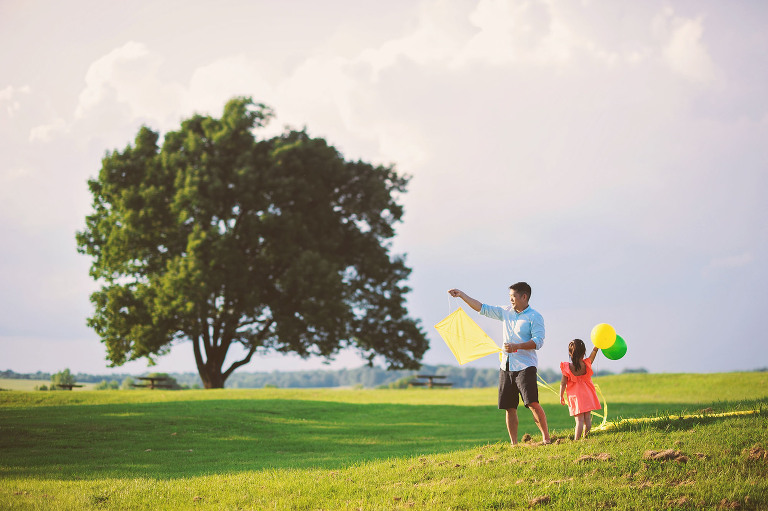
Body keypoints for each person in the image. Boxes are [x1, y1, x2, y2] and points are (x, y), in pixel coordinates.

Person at [448, 283, 550, 445]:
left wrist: (517, 346)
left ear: (524, 297)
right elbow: (482, 308)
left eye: (513, 297)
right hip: (506, 366)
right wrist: (462, 295)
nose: (510, 300)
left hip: (526, 366)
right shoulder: (505, 312)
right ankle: (514, 443)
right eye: (509, 297)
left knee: (532, 403)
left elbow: (538, 342)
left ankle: (546, 438)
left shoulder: (534, 316)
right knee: (509, 407)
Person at [559, 339, 601, 440]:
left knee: (579, 421)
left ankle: (576, 440)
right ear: (584, 352)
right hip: (588, 395)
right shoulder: (586, 364)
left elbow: (563, 383)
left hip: (576, 397)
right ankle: (585, 438)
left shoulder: (567, 367)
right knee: (587, 419)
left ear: (570, 353)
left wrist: (561, 395)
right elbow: (593, 356)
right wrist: (596, 348)